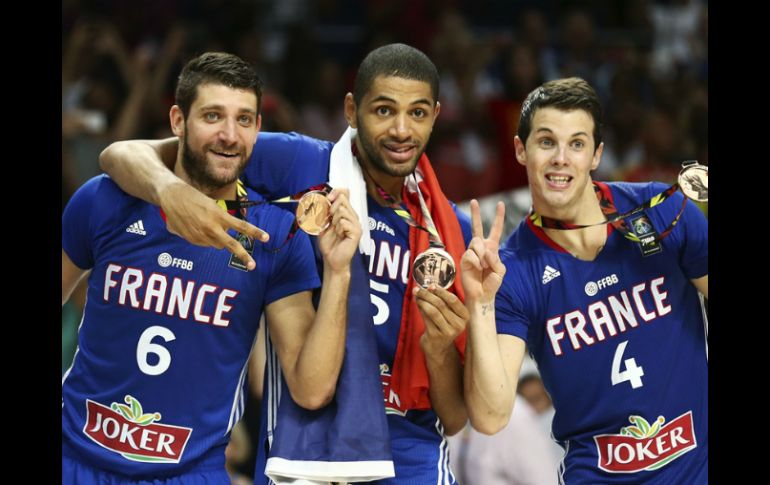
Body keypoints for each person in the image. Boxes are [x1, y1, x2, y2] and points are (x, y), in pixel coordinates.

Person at [99, 44, 474, 484]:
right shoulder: (301, 162)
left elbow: (454, 419)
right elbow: (124, 155)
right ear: (351, 110)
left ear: (436, 116)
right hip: (306, 448)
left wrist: (442, 347)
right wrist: (170, 191)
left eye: (418, 113)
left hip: (413, 456)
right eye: (384, 110)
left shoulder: (449, 232)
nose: (400, 129)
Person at [62, 52, 362, 483]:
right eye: (212, 116)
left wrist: (338, 273)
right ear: (177, 120)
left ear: (259, 128)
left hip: (189, 472)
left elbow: (311, 389)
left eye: (244, 119)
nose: (229, 135)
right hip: (76, 458)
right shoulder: (105, 200)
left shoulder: (275, 235)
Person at [462, 77, 708, 483]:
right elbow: (489, 417)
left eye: (576, 144)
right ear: (521, 150)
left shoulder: (664, 213)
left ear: (596, 155)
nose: (561, 158)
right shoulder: (512, 271)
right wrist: (480, 303)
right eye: (546, 142)